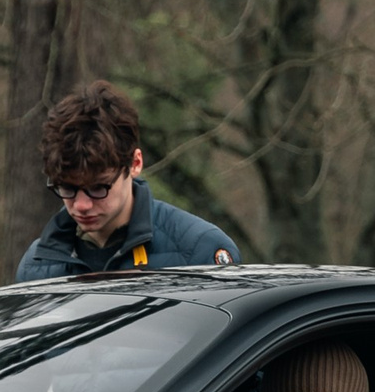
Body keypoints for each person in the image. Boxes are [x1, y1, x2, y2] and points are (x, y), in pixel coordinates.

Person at [15, 81, 239, 279]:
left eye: (98, 187)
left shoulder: (200, 251)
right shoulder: (36, 266)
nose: (81, 205)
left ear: (135, 164)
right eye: (67, 188)